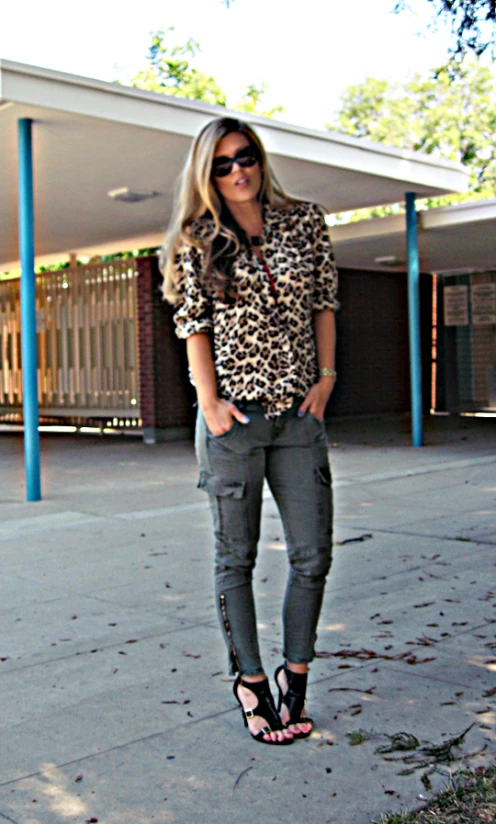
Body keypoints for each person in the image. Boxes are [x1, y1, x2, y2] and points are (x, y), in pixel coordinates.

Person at [161, 116, 338, 745]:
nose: (238, 171)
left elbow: (324, 301)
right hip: (234, 419)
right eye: (222, 164)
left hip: (298, 416)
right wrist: (208, 403)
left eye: (246, 157)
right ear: (206, 174)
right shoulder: (197, 238)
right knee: (235, 557)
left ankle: (296, 674)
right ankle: (251, 682)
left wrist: (326, 378)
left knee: (312, 554)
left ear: (259, 159)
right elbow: (193, 326)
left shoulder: (304, 221)